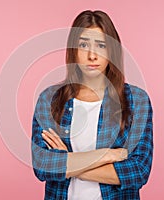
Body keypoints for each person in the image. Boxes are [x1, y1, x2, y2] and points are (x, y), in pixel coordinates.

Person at [31, 10, 153, 200]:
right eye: (83, 45)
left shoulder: (136, 100)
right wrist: (106, 155)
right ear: (73, 50)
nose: (92, 55)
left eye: (101, 45)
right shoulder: (50, 100)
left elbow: (138, 171)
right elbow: (42, 165)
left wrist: (68, 162)